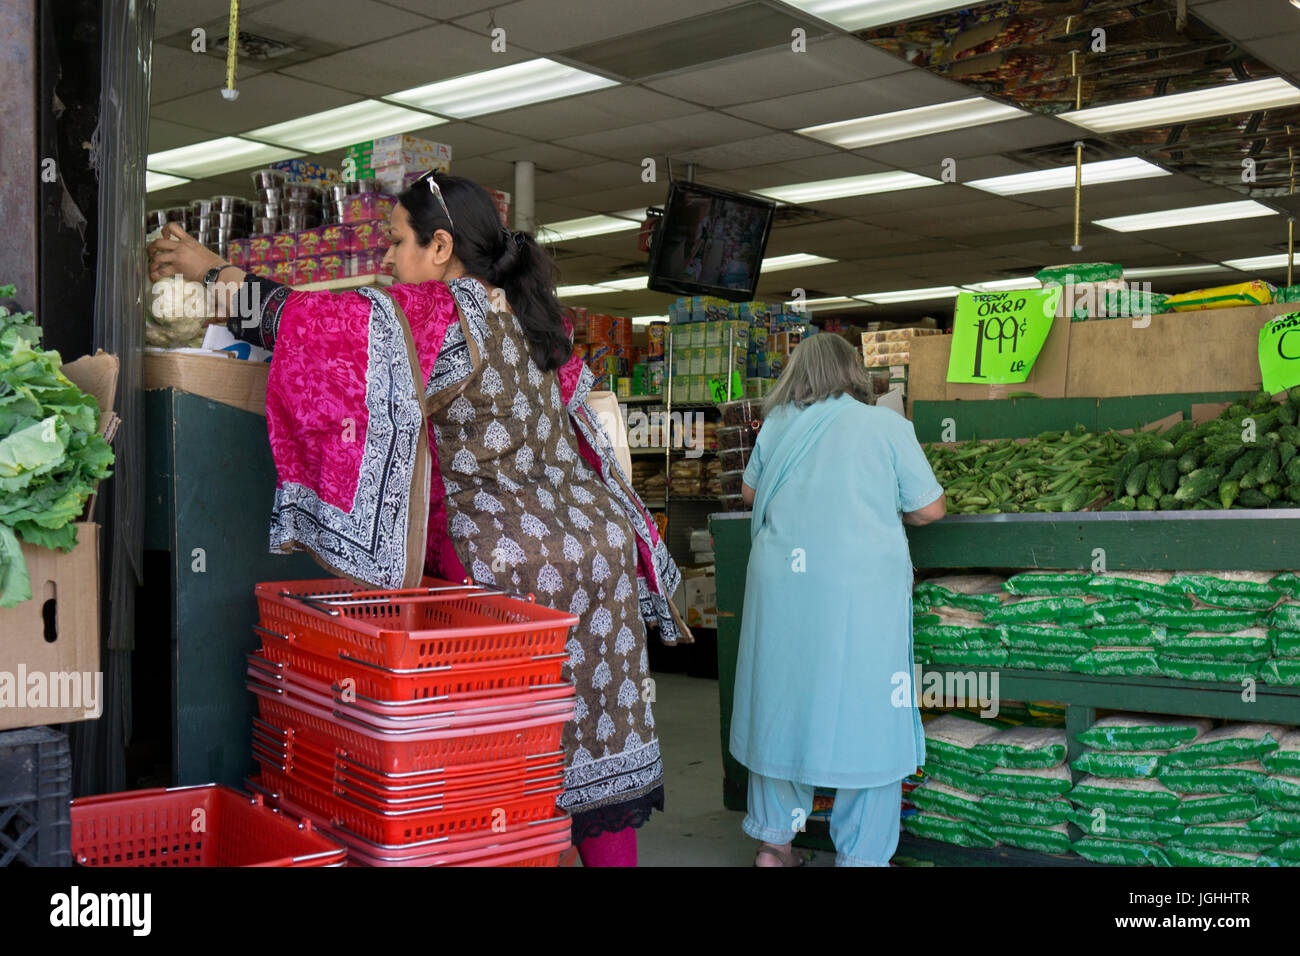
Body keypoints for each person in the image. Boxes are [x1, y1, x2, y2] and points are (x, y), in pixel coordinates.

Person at [146, 171, 691, 866]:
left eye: (398, 242)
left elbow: (306, 324)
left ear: (440, 246)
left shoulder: (437, 311)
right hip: (595, 552)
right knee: (597, 737)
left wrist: (211, 271)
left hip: (502, 567)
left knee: (504, 768)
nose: (387, 260)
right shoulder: (531, 314)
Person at [730, 333, 945, 867]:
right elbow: (930, 510)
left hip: (782, 587)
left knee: (779, 701)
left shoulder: (776, 425)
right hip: (857, 595)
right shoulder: (887, 426)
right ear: (854, 373)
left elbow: (750, 495)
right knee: (867, 711)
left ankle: (776, 844)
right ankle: (862, 856)